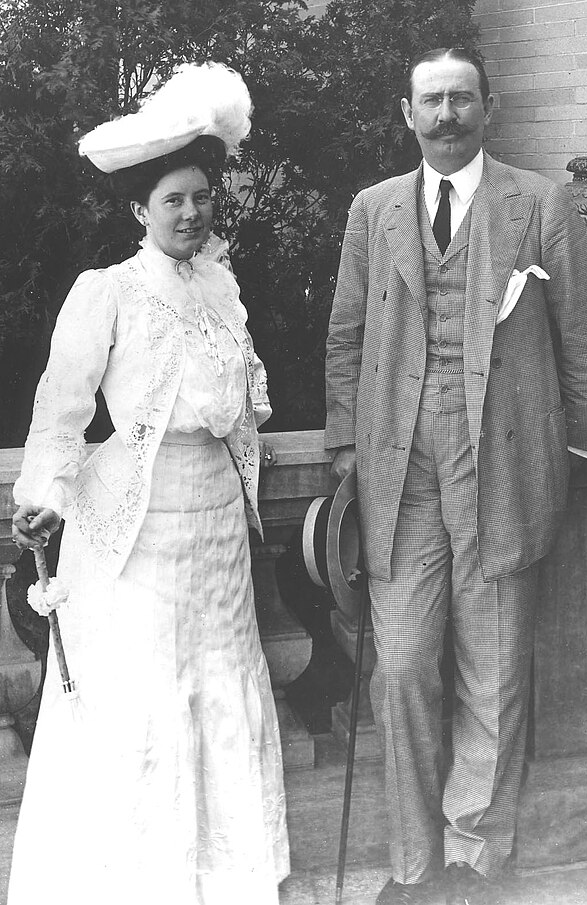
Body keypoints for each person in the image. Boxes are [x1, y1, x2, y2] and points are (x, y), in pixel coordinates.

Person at [9, 62, 289, 905]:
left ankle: (225, 875)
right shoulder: (109, 293)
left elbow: (240, 410)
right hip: (137, 539)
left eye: (201, 197)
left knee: (219, 684)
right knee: (147, 699)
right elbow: (60, 409)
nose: (191, 212)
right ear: (139, 210)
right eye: (173, 200)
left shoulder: (222, 290)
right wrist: (42, 496)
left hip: (215, 535)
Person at [325, 46, 587, 905]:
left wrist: (579, 457)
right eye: (431, 101)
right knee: (401, 667)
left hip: (504, 467)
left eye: (462, 100)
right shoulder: (372, 211)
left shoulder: (541, 204)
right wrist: (344, 454)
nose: (447, 115)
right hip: (398, 472)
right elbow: (343, 338)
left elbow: (582, 342)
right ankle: (413, 866)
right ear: (407, 115)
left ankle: (474, 861)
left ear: (488, 111)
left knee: (495, 672)